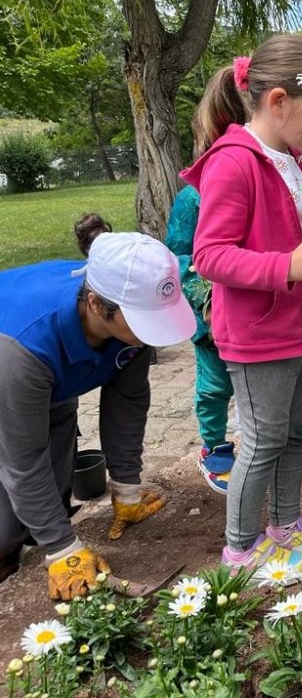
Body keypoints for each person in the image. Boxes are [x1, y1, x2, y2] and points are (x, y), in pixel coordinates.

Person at [183, 35, 302, 573]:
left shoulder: (295, 163)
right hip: (259, 334)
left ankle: (285, 524)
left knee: (294, 433)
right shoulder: (234, 163)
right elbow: (210, 256)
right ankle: (240, 548)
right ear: (279, 101)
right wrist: (290, 267)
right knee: (260, 441)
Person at [0, 221, 196, 597]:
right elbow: (25, 459)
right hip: (11, 361)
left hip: (50, 384)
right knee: (6, 529)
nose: (150, 331)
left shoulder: (130, 331)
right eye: (142, 319)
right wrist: (62, 548)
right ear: (95, 303)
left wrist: (126, 486)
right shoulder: (25, 348)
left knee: (52, 495)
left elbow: (127, 402)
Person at [166, 70, 240, 495]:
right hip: (214, 314)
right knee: (214, 385)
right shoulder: (195, 196)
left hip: (260, 311)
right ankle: (214, 445)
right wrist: (205, 296)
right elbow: (179, 254)